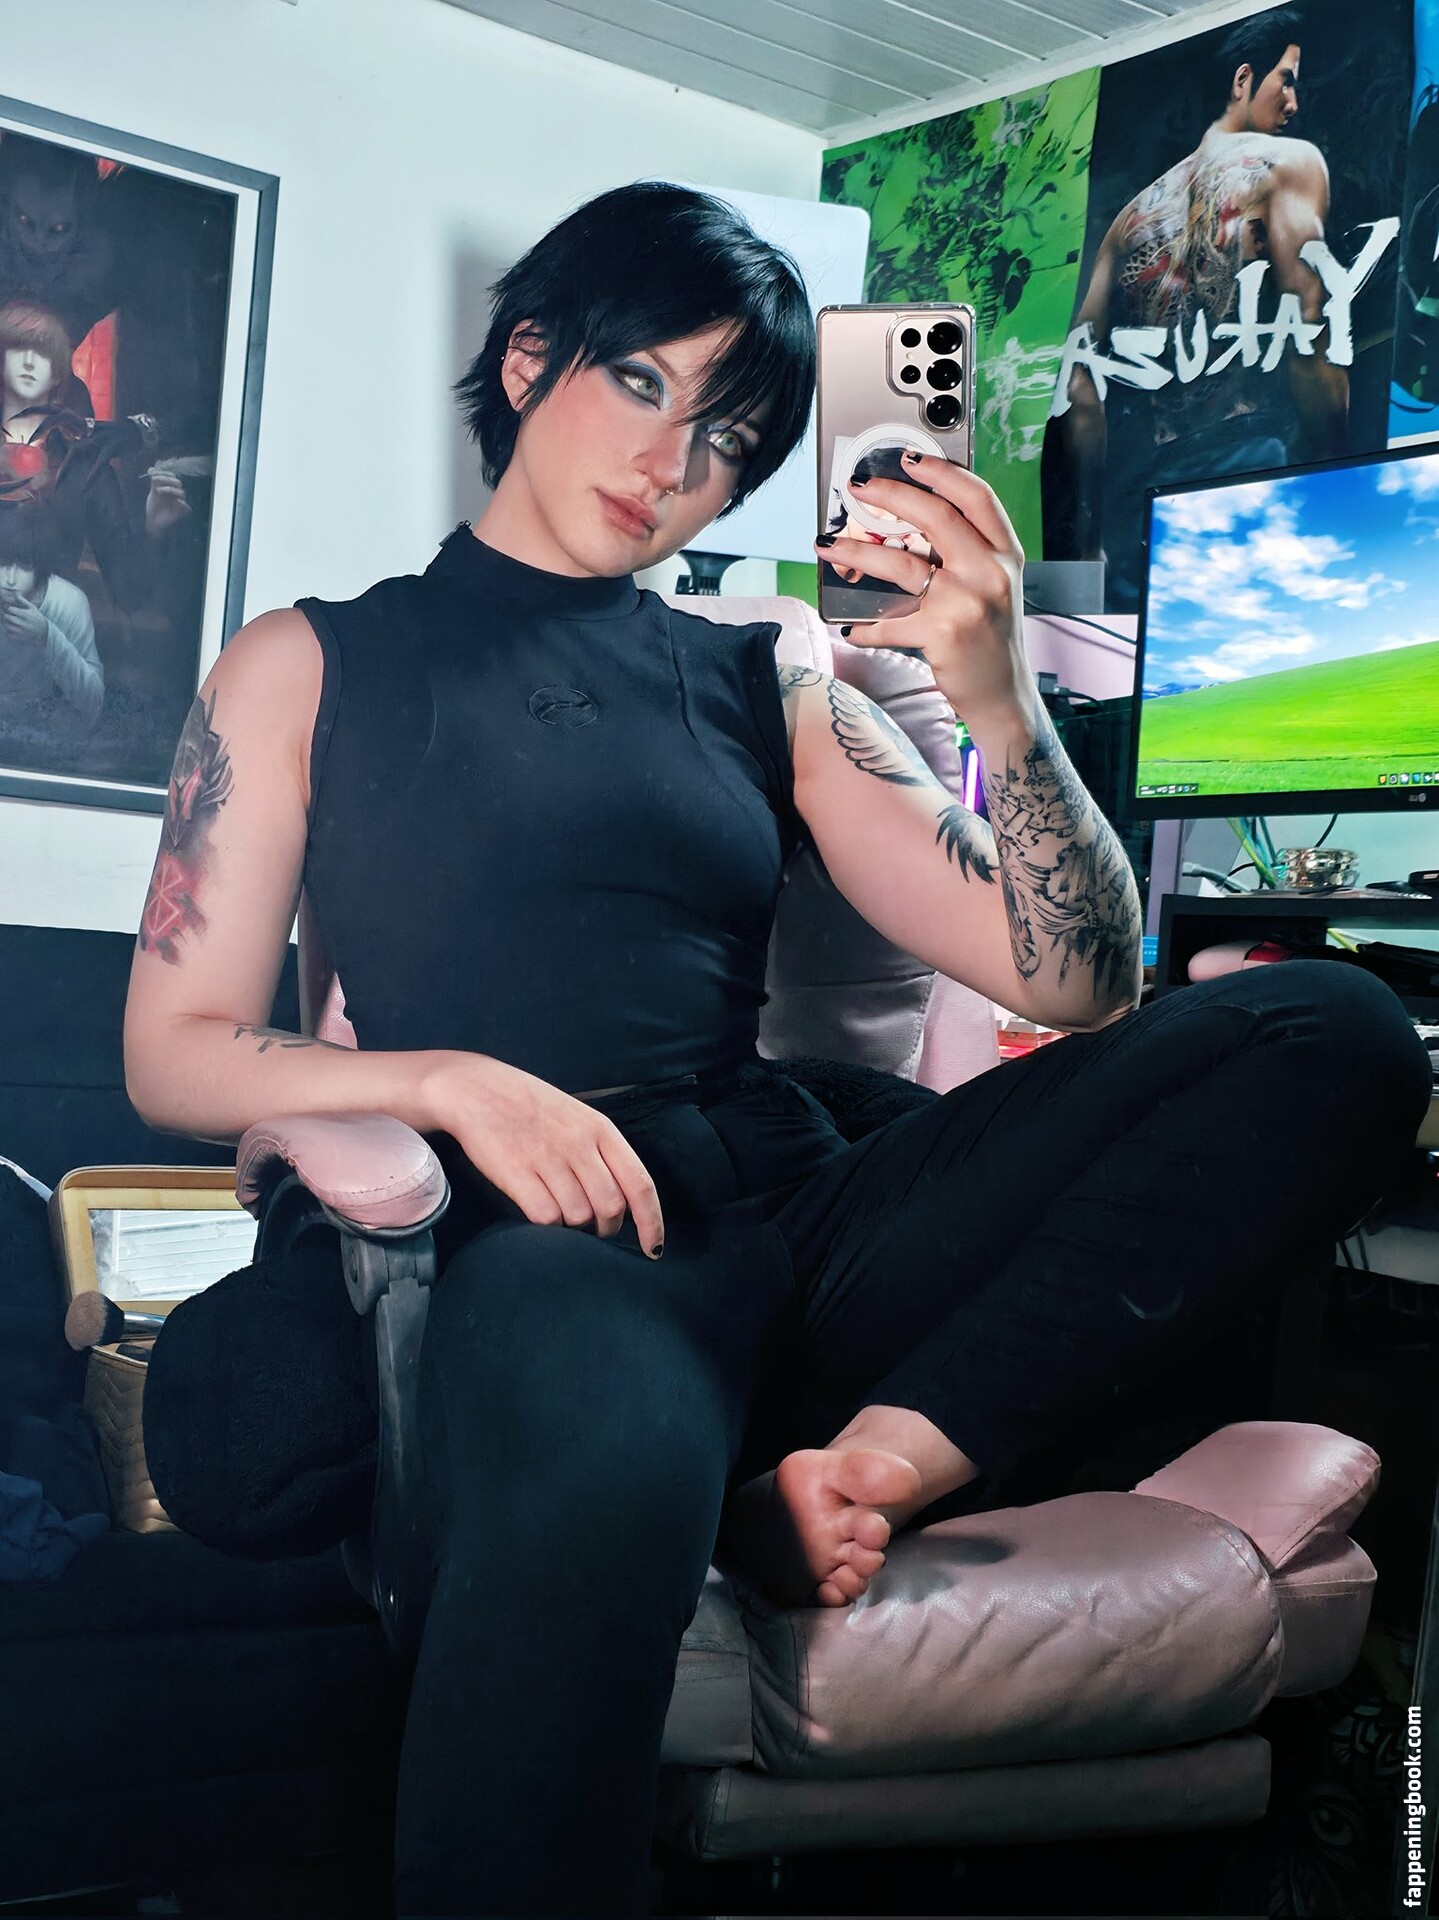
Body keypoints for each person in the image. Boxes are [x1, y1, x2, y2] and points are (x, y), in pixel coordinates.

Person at [124, 181, 1431, 1917]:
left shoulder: (774, 677)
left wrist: (997, 696)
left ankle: (864, 1467)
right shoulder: (308, 662)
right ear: (527, 360)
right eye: (641, 382)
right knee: (568, 1482)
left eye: (729, 437)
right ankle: (723, 1489)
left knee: (1331, 1028)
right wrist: (443, 1081)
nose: (673, 463)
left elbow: (1071, 982)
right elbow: (176, 1047)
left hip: (798, 1212)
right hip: (560, 1250)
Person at [1052, 8, 1343, 605]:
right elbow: (1308, 325)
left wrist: (1086, 544)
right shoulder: (1288, 164)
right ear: (1243, 80)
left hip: (1155, 492)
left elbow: (1078, 389)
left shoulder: (1130, 219)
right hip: (1253, 458)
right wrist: (1338, 471)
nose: (1293, 102)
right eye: (1286, 80)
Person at [0, 299, 189, 611]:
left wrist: (153, 528)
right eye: (20, 349)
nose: (30, 362)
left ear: (58, 372)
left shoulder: (83, 465)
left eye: (43, 352)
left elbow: (127, 590)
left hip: (46, 625)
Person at [0, 505, 103, 752]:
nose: (10, 579)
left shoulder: (69, 602)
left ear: (40, 569)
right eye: (3, 563)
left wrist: (47, 636)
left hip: (46, 730)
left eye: (24, 565)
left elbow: (93, 704)